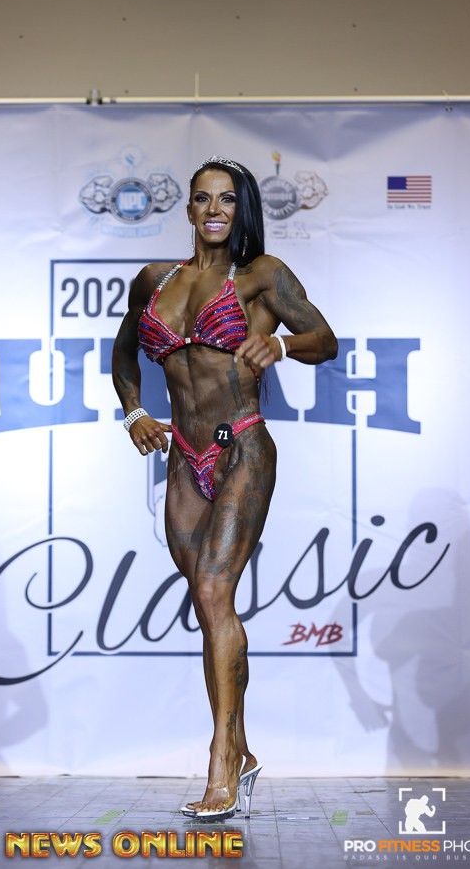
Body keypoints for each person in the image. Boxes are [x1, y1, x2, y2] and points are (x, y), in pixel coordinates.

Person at [112, 156, 338, 820]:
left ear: (242, 209)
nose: (215, 210)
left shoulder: (262, 275)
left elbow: (325, 338)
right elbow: (123, 353)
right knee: (212, 609)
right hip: (185, 456)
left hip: (241, 444)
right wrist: (133, 411)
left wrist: (283, 348)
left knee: (214, 592)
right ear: (188, 208)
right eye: (203, 198)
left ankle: (220, 761)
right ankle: (242, 750)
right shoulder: (155, 280)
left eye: (227, 199)